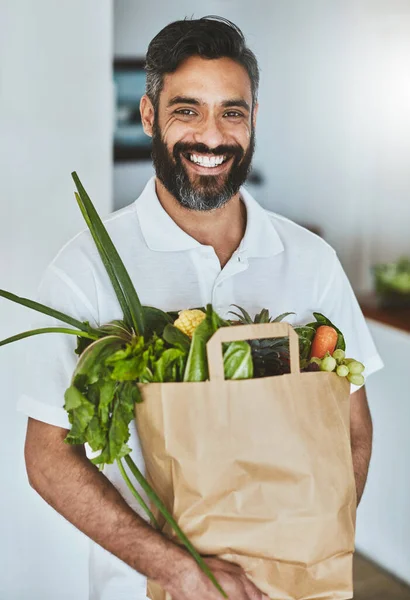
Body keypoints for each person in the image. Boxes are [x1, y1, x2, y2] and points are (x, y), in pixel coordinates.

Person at [19, 16, 383, 600]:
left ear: (254, 119)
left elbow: (354, 427)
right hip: (143, 589)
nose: (211, 137)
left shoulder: (312, 260)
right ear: (148, 116)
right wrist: (176, 570)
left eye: (231, 112)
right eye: (187, 110)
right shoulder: (87, 267)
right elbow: (47, 459)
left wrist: (314, 533)